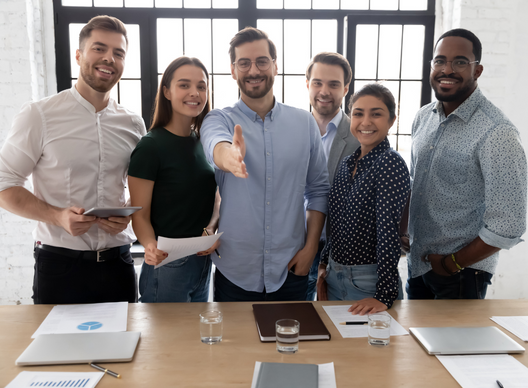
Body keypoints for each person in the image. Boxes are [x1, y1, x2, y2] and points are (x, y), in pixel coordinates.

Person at [0, 16, 146, 304]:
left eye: (118, 53)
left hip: (119, 263)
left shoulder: (133, 123)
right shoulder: (38, 115)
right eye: (99, 49)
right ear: (79, 55)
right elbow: (4, 184)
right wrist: (58, 216)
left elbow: (137, 187)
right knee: (56, 349)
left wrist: (126, 212)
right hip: (59, 265)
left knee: (123, 348)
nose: (109, 58)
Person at [200, 27, 330, 302]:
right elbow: (216, 148)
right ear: (233, 71)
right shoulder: (218, 119)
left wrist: (309, 250)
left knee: (294, 345)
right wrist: (231, 156)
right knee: (236, 346)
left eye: (262, 61)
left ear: (275, 66)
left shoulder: (304, 123)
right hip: (235, 272)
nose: (253, 70)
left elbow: (318, 189)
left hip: (292, 268)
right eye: (243, 63)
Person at [406, 28, 527, 299]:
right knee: (412, 342)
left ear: (478, 70)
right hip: (419, 266)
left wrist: (452, 264)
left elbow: (509, 223)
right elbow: (416, 184)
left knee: (454, 343)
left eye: (460, 62)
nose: (447, 70)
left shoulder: (497, 132)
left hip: (461, 275)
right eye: (439, 61)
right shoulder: (423, 117)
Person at [128, 57, 218, 303]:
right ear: (166, 91)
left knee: (192, 341)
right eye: (184, 85)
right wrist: (149, 246)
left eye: (201, 86)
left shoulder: (202, 142)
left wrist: (210, 229)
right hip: (167, 264)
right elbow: (139, 215)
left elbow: (213, 196)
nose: (195, 93)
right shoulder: (150, 147)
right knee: (165, 341)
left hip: (202, 260)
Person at [317, 83, 410, 315]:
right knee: (337, 350)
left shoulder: (390, 163)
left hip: (369, 283)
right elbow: (336, 221)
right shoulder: (348, 163)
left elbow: (388, 231)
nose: (366, 122)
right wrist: (323, 264)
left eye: (376, 114)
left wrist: (384, 295)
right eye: (358, 114)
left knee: (372, 350)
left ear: (392, 120)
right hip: (333, 276)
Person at [304, 52, 360, 301]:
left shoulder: (361, 135)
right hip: (295, 243)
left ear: (346, 88)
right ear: (307, 84)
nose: (324, 91)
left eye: (334, 84)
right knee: (296, 317)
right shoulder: (292, 129)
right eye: (317, 83)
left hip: (340, 249)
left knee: (337, 325)